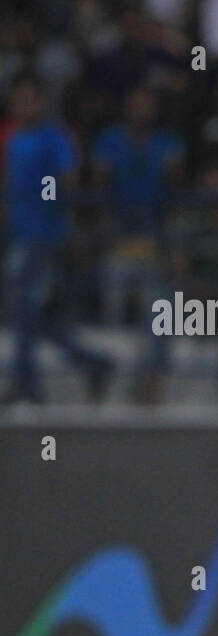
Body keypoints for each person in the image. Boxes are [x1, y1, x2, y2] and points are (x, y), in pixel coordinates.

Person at [2, 74, 114, 404]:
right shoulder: (13, 137)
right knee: (25, 312)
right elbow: (12, 181)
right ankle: (92, 362)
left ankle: (27, 383)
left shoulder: (54, 137)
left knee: (24, 310)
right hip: (20, 233)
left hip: (45, 236)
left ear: (41, 101)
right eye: (19, 98)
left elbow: (66, 178)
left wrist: (49, 206)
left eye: (30, 98)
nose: (25, 105)